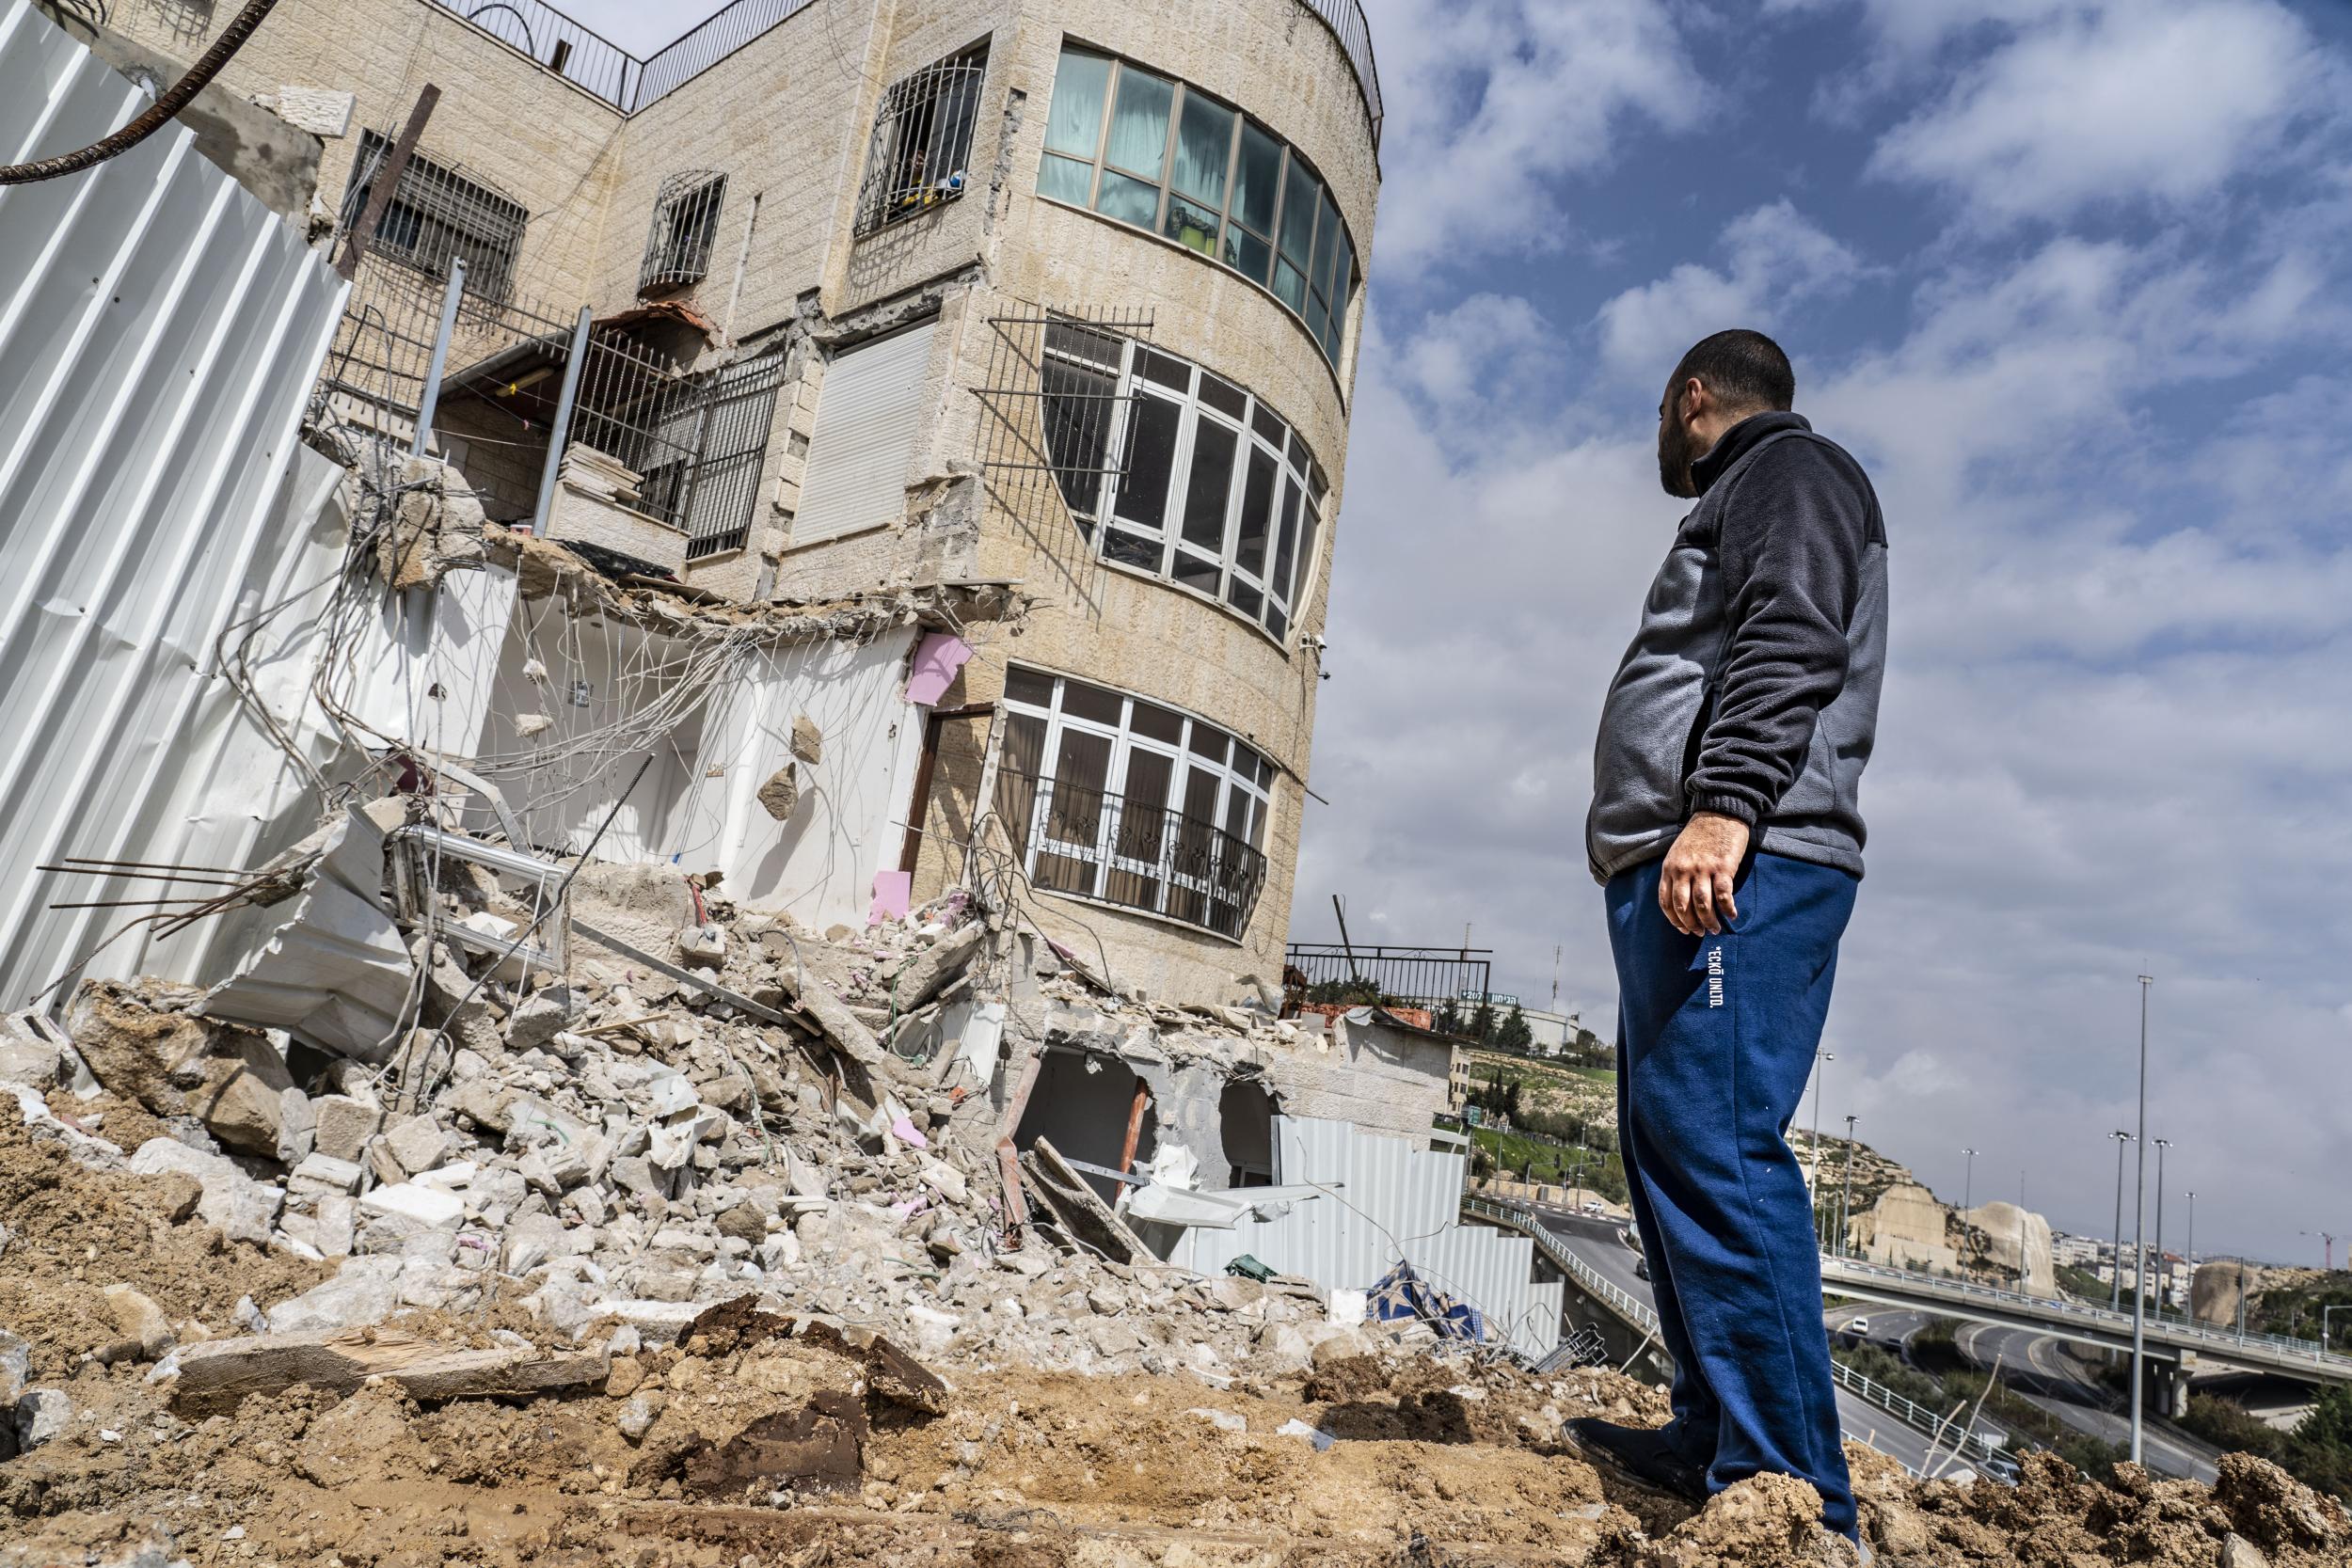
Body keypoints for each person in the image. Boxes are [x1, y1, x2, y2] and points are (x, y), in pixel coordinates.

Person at [1571, 329, 1887, 1549]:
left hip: (1746, 854)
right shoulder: (1761, 488)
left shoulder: (1791, 474)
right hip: (1688, 860)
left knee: (1717, 1144)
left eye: (1662, 411)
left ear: (1690, 398)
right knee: (1667, 1145)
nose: (1659, 431)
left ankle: (1795, 1498)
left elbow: (1793, 632)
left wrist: (1724, 805)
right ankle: (1713, 1430)